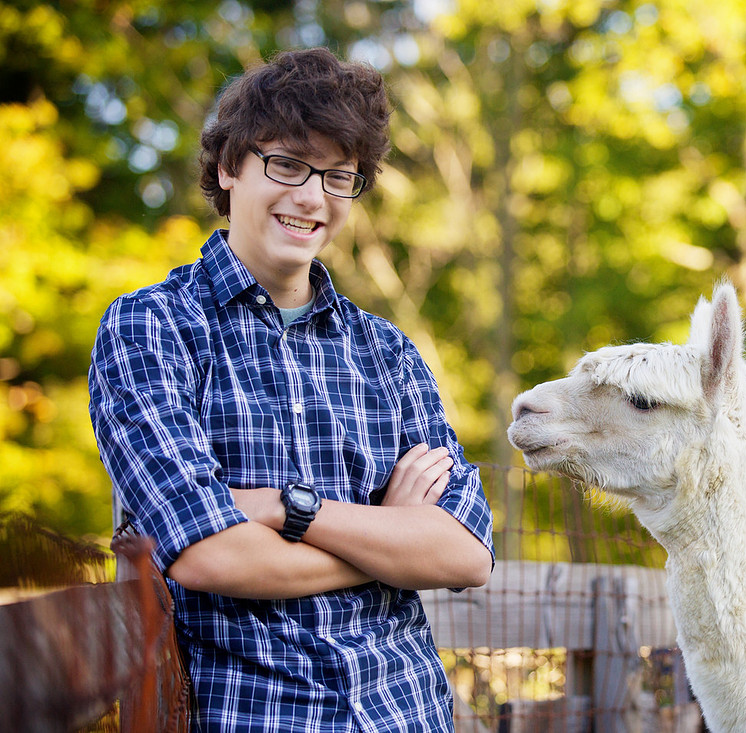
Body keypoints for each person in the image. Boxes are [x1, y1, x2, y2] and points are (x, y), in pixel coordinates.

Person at [88, 47, 494, 732]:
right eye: (287, 164)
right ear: (229, 168)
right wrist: (389, 546)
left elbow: (464, 552)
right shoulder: (152, 327)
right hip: (260, 714)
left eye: (339, 177)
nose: (313, 198)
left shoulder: (387, 352)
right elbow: (206, 553)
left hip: (408, 713)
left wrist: (286, 507)